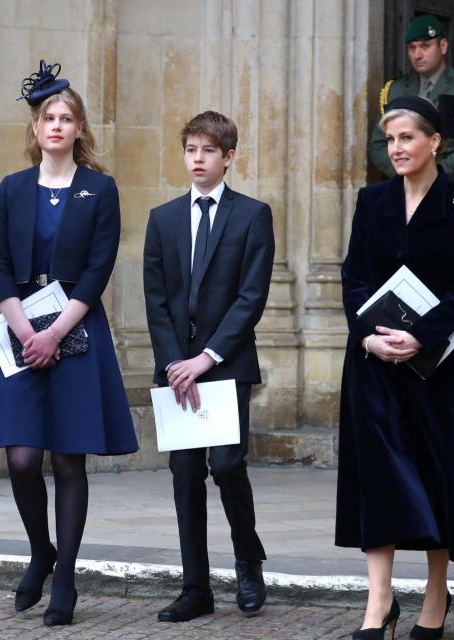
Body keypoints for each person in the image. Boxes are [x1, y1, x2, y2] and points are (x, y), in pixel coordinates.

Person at [336, 95, 454, 640]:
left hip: (439, 366)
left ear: (435, 141)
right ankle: (378, 600)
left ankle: (436, 595)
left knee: (439, 478)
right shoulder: (372, 200)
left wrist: (421, 335)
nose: (397, 148)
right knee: (379, 478)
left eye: (407, 137)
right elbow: (354, 277)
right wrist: (369, 337)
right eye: (390, 140)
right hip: (373, 364)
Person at [0, 61, 137, 627]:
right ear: (37, 127)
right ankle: (40, 550)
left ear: (79, 128)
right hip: (20, 336)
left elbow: (98, 270)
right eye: (50, 117)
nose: (58, 125)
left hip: (75, 335)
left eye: (68, 118)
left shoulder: (101, 188)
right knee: (21, 458)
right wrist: (26, 333)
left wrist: (56, 332)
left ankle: (64, 574)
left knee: (68, 459)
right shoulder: (13, 189)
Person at [143, 111, 275, 623]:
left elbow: (251, 296)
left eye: (207, 151)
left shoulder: (252, 215)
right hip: (177, 368)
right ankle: (195, 587)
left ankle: (248, 559)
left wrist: (207, 357)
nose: (197, 160)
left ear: (229, 157)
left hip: (225, 364)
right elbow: (155, 301)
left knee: (225, 466)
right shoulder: (163, 218)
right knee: (183, 476)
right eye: (190, 150)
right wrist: (176, 362)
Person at [369, 14, 454, 187]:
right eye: (412, 47)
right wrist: (405, 173)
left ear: (442, 46)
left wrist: (429, 177)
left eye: (425, 46)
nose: (417, 54)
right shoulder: (395, 89)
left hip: (452, 188)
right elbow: (378, 145)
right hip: (404, 190)